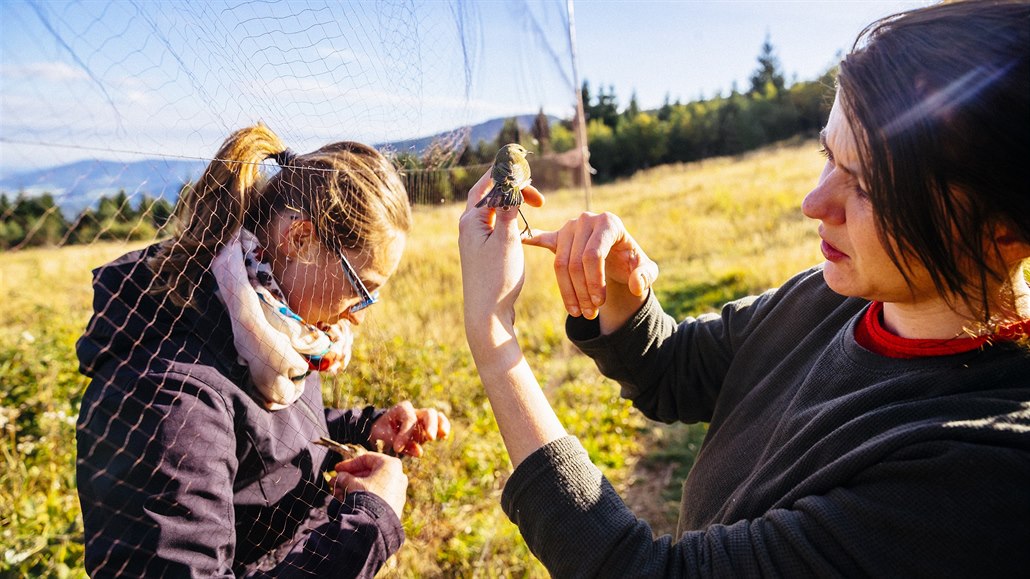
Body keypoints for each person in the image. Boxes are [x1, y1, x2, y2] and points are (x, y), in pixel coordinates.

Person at [458, 1, 1030, 576]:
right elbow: (676, 370)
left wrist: (492, 336)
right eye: (828, 155)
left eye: (873, 187)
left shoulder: (983, 472)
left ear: (1006, 230)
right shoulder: (835, 297)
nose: (814, 203)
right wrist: (620, 290)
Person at [76, 124, 450, 578]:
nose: (359, 316)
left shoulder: (264, 325)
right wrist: (370, 524)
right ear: (300, 239)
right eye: (362, 290)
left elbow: (257, 433)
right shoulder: (168, 399)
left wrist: (360, 425)